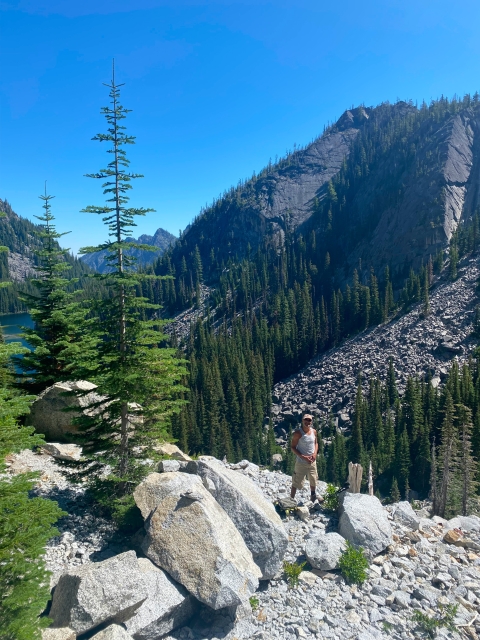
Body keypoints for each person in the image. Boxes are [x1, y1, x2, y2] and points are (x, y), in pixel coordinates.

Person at [290, 413, 320, 503]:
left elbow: (316, 443)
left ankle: (313, 497)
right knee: (296, 481)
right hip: (301, 462)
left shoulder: (314, 431)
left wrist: (314, 454)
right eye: (306, 420)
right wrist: (303, 457)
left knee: (313, 479)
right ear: (302, 421)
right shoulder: (298, 433)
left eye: (309, 420)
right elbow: (293, 447)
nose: (307, 422)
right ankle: (291, 500)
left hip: (312, 461)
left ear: (311, 421)